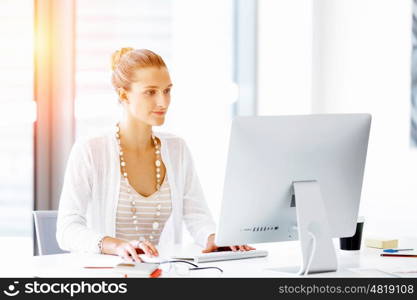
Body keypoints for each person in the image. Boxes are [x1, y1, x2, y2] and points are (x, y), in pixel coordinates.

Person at [56, 48, 254, 262]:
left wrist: (214, 237)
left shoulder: (177, 149)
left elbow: (197, 217)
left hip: (161, 274)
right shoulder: (90, 150)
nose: (163, 102)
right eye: (150, 92)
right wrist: (117, 246)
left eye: (167, 90)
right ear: (123, 94)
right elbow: (67, 230)